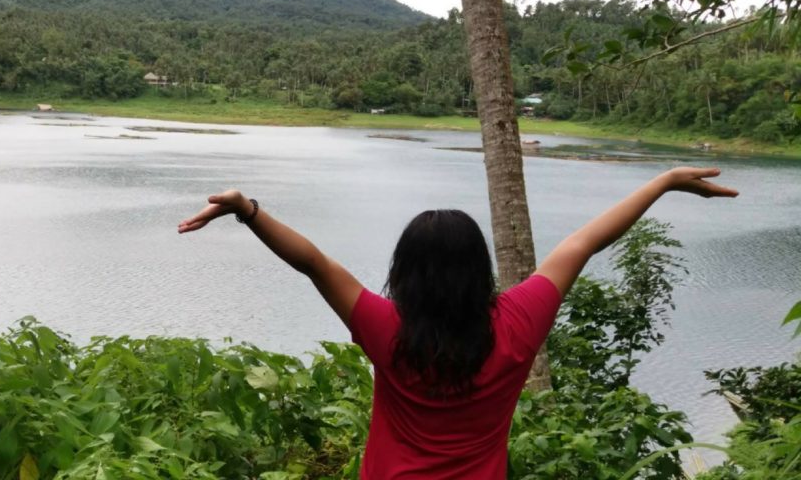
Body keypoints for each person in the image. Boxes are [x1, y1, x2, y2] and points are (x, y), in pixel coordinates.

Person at [177, 167, 738, 479]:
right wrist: (661, 182)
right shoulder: (518, 322)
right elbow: (584, 242)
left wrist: (245, 209)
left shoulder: (385, 328)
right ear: (480, 268)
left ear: (406, 272)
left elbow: (313, 262)